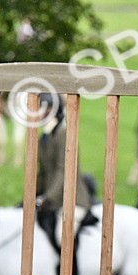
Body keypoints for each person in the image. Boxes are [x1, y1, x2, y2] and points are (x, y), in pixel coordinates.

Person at [35, 94, 97, 265]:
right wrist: (32, 195)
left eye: (43, 108)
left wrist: (48, 198)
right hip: (54, 200)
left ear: (51, 109)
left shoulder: (64, 134)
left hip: (73, 200)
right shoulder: (45, 136)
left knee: (62, 236)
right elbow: (43, 172)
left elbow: (63, 171)